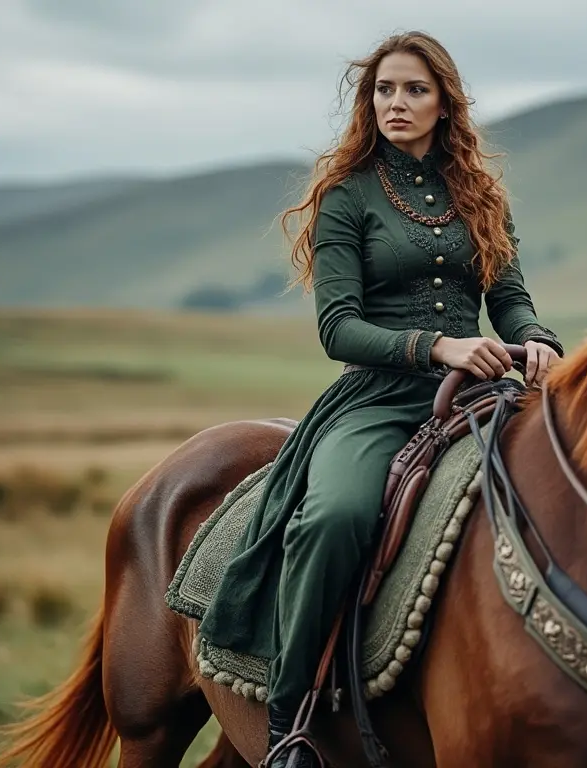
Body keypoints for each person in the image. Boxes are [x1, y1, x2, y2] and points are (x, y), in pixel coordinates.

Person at [196, 31, 565, 768]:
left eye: (415, 90)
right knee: (335, 517)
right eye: (385, 90)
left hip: (484, 393)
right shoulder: (347, 196)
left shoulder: (480, 196)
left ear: (444, 105)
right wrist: (438, 346)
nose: (397, 103)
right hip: (378, 400)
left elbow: (511, 300)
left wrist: (539, 343)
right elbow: (339, 328)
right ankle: (291, 723)